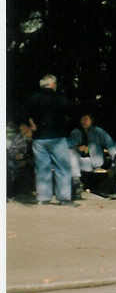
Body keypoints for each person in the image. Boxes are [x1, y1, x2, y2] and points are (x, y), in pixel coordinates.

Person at [25, 74, 74, 205]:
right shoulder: (60, 98)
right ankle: (64, 198)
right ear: (52, 84)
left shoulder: (33, 98)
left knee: (42, 168)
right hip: (57, 137)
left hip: (39, 138)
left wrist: (32, 124)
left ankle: (43, 198)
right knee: (62, 168)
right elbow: (71, 114)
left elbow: (25, 114)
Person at [68, 112, 116, 198]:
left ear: (91, 120)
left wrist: (114, 162)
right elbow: (69, 145)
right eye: (82, 119)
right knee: (71, 153)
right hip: (81, 162)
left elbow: (110, 145)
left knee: (93, 145)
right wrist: (77, 148)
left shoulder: (98, 131)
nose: (84, 122)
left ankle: (79, 183)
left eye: (86, 119)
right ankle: (76, 182)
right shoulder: (75, 132)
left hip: (95, 161)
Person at [7, 121, 34, 199]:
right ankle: (13, 192)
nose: (21, 129)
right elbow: (12, 152)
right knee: (11, 166)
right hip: (17, 161)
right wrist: (19, 157)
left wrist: (27, 160)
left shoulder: (34, 139)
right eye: (21, 128)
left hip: (29, 161)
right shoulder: (19, 137)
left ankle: (25, 190)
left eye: (24, 128)